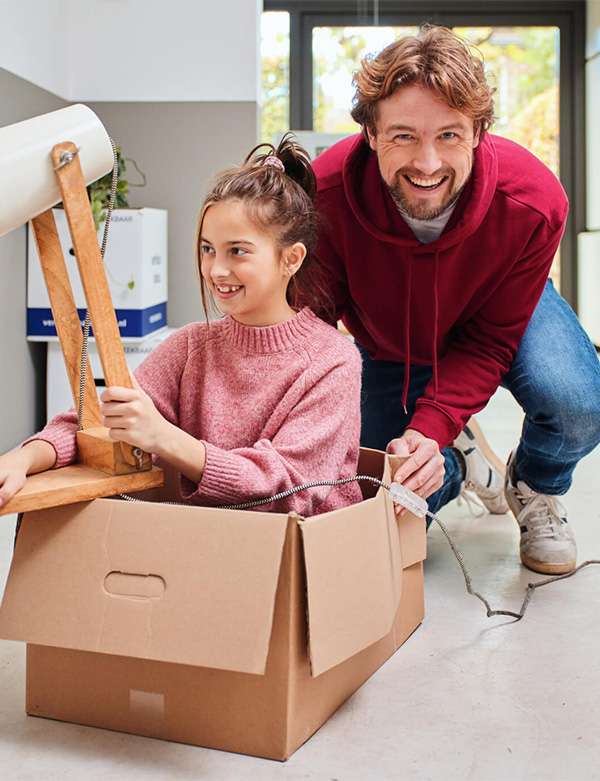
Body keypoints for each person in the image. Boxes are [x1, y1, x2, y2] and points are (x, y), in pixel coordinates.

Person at [307, 24, 600, 574]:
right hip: (391, 340)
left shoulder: (533, 202)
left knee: (576, 403)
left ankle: (534, 487)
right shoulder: (322, 199)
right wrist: (420, 439)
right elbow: (314, 336)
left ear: (479, 132)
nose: (426, 163)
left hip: (498, 308)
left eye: (448, 136)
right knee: (385, 498)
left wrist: (431, 419)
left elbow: (490, 341)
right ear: (370, 133)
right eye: (403, 136)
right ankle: (463, 465)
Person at [0, 135, 363, 516]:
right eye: (208, 249)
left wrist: (161, 435)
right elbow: (94, 422)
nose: (216, 270)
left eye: (237, 251)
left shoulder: (334, 360)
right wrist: (24, 458)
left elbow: (288, 489)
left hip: (300, 558)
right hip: (207, 546)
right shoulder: (191, 345)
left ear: (291, 259)